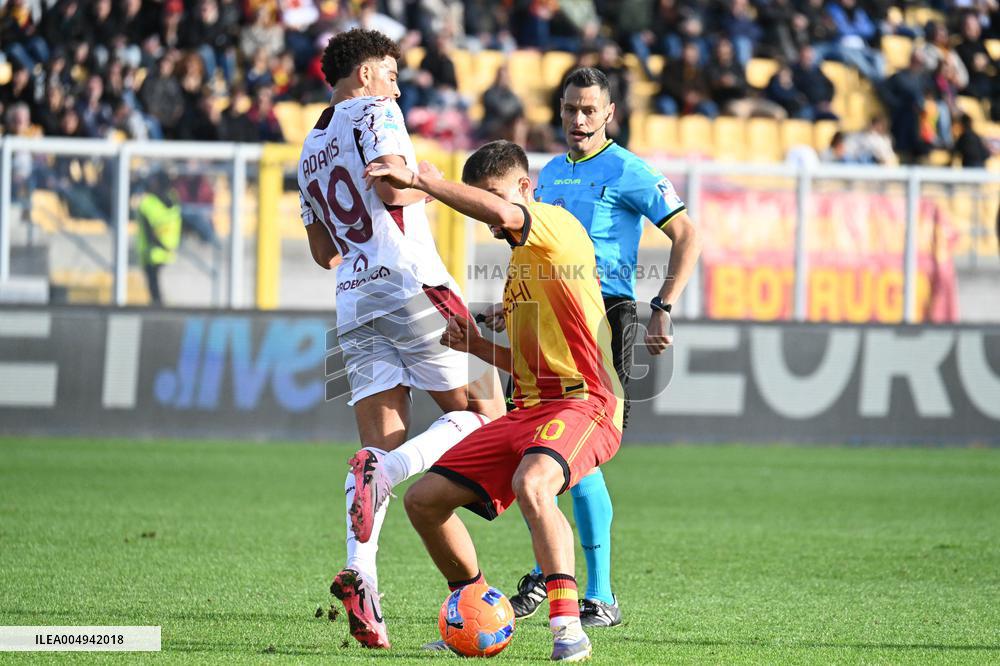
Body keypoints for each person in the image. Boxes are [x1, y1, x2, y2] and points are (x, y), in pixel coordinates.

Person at [364, 140, 625, 662]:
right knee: (424, 501)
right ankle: (475, 606)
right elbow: (528, 366)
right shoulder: (519, 272)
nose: (487, 212)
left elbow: (505, 212)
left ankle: (568, 629)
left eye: (493, 195)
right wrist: (478, 346)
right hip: (530, 408)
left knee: (534, 483)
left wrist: (421, 181)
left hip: (587, 401)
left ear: (525, 188)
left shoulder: (554, 225)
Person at [296, 28, 504, 650]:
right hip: (414, 284)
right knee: (487, 415)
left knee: (377, 439)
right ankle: (389, 469)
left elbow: (319, 251)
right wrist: (426, 178)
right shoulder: (378, 111)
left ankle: (363, 579)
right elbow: (391, 185)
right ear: (364, 75)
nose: (396, 82)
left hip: (355, 300)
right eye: (389, 71)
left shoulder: (307, 147)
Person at [499, 67, 700, 628]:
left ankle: (597, 593)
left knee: (578, 453)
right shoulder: (551, 172)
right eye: (570, 109)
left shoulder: (628, 169)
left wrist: (661, 306)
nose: (579, 120)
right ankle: (554, 570)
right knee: (540, 446)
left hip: (602, 317)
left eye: (590, 110)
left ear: (609, 113)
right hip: (544, 318)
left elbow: (687, 234)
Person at [136, 171, 182, 306]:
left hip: (152, 254)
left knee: (157, 299)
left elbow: (149, 232)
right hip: (169, 254)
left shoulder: (147, 203)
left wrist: (161, 245)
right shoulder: (174, 200)